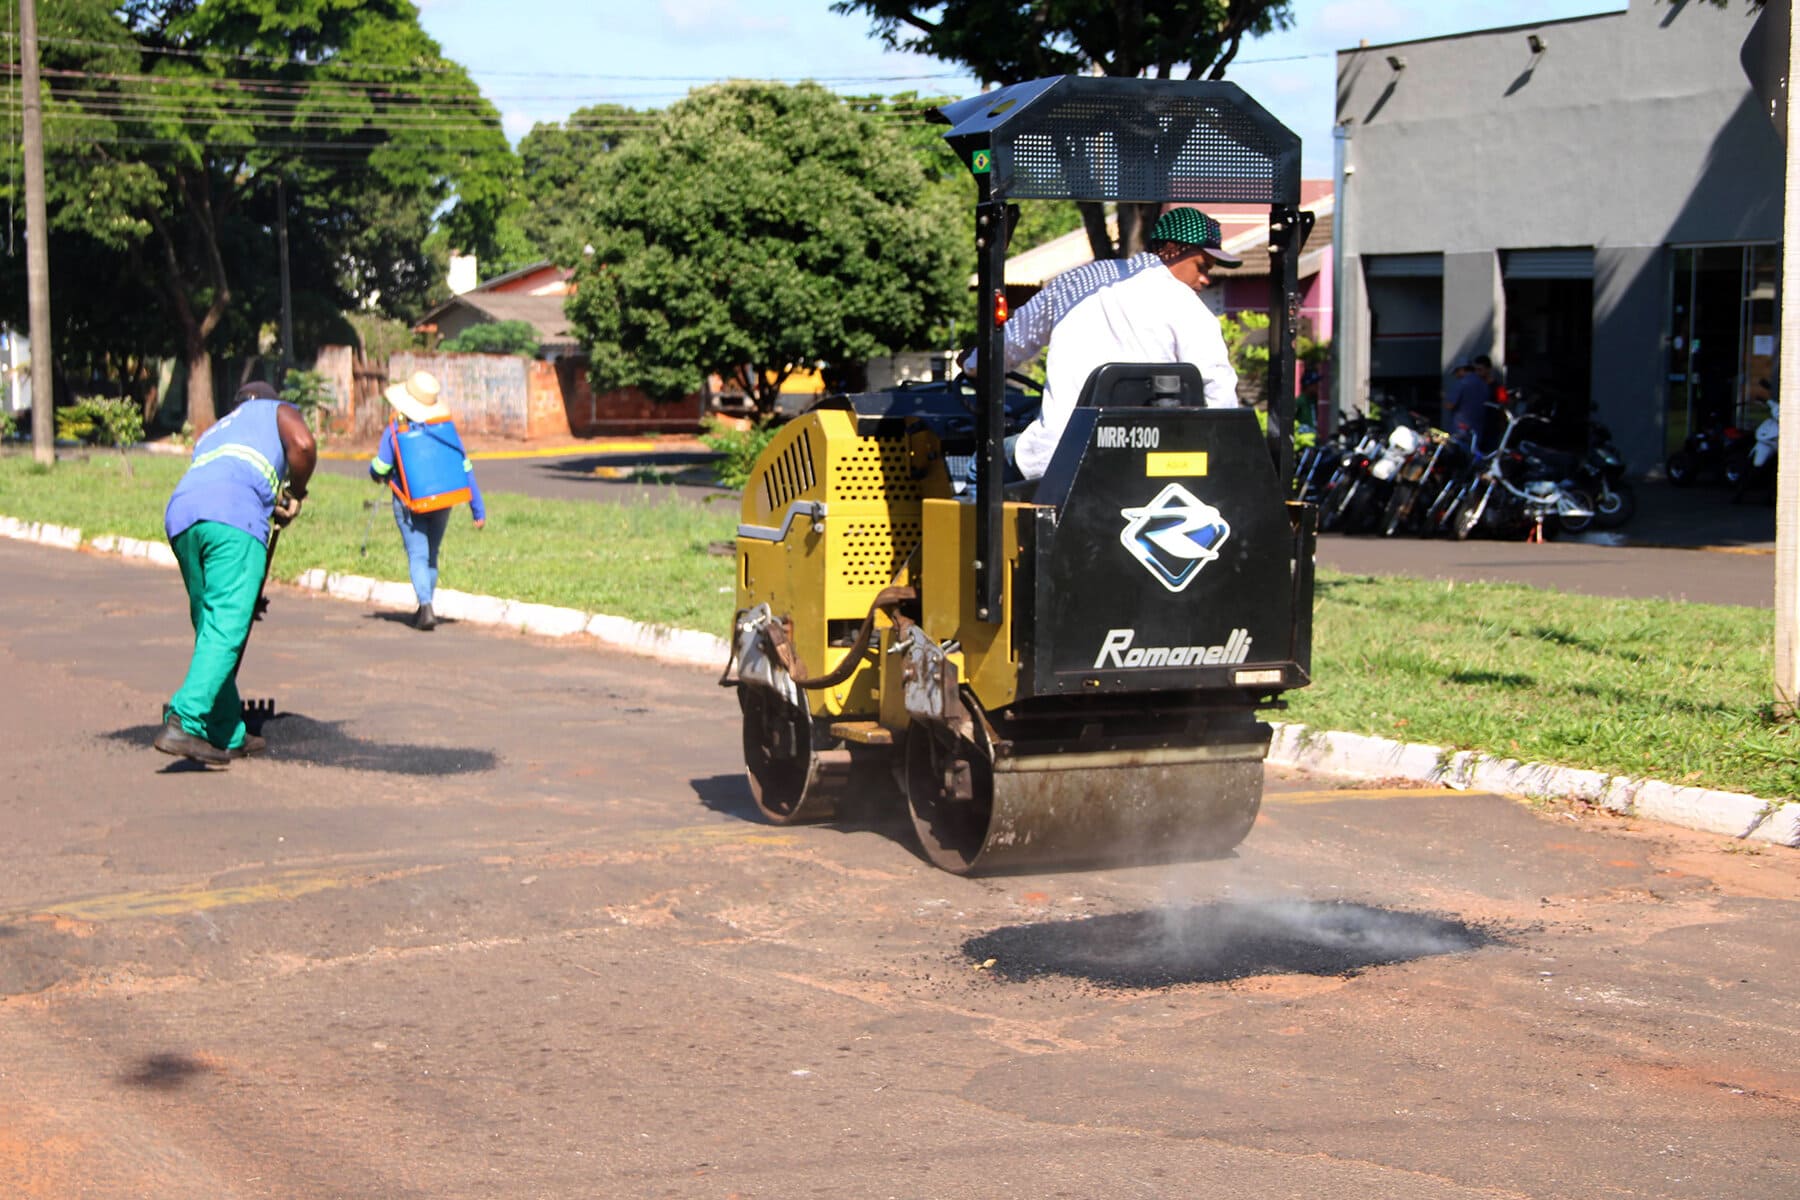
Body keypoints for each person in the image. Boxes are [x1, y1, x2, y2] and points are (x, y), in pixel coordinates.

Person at [962, 206, 1242, 486]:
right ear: (1171, 249)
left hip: (1059, 458)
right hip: (1148, 463)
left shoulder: (1078, 284)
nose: (1206, 279)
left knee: (981, 464)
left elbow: (1008, 346)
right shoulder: (1193, 311)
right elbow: (1220, 395)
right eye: (1202, 266)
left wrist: (972, 364)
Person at [154, 381, 316, 766]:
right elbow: (304, 445)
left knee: (212, 626)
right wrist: (297, 490)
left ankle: (227, 731)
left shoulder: (217, 430)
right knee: (227, 626)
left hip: (182, 517)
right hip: (232, 518)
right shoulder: (277, 410)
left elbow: (229, 473)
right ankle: (185, 719)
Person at [370, 370, 486, 631]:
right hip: (443, 502)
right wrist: (477, 508)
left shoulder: (395, 430)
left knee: (417, 554)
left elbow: (380, 466)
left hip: (410, 502)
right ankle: (426, 604)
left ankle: (425, 607)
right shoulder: (446, 430)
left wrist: (375, 472)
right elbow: (465, 466)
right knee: (431, 555)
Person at [1445, 354, 1494, 449]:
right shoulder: (1484, 385)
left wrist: (1445, 397)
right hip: (1478, 431)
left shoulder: (1461, 384)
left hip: (1460, 430)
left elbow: (1449, 405)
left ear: (1462, 369)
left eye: (1457, 372)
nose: (1456, 375)